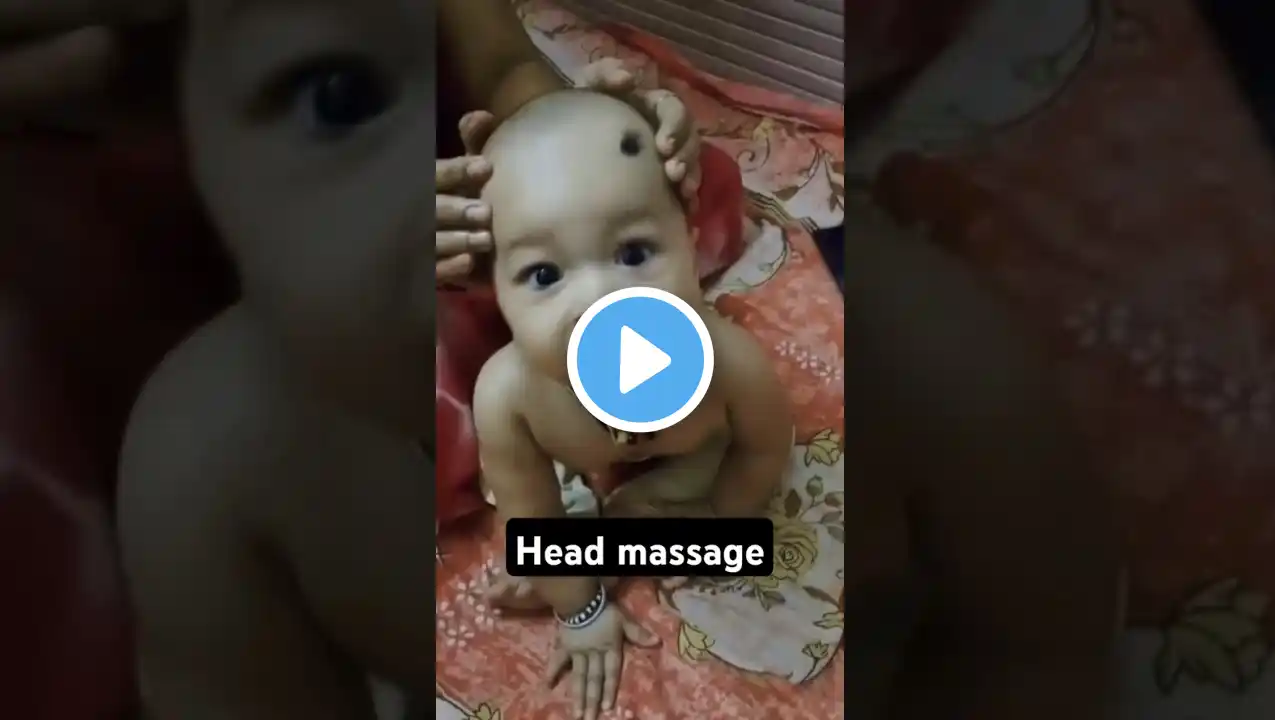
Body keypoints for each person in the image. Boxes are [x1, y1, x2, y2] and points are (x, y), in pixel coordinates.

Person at [1, 1, 1120, 719]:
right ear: (181, 148)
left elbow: (1034, 656)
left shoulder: (918, 369)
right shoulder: (222, 463)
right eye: (341, 97)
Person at [471, 89, 790, 718]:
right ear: (495, 295)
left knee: (703, 510)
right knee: (528, 539)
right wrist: (581, 610)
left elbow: (764, 448)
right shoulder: (509, 396)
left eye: (634, 254)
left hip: (691, 458)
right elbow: (530, 519)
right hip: (565, 466)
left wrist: (720, 516)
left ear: (691, 244)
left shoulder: (729, 364)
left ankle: (633, 525)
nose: (600, 299)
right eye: (544, 274)